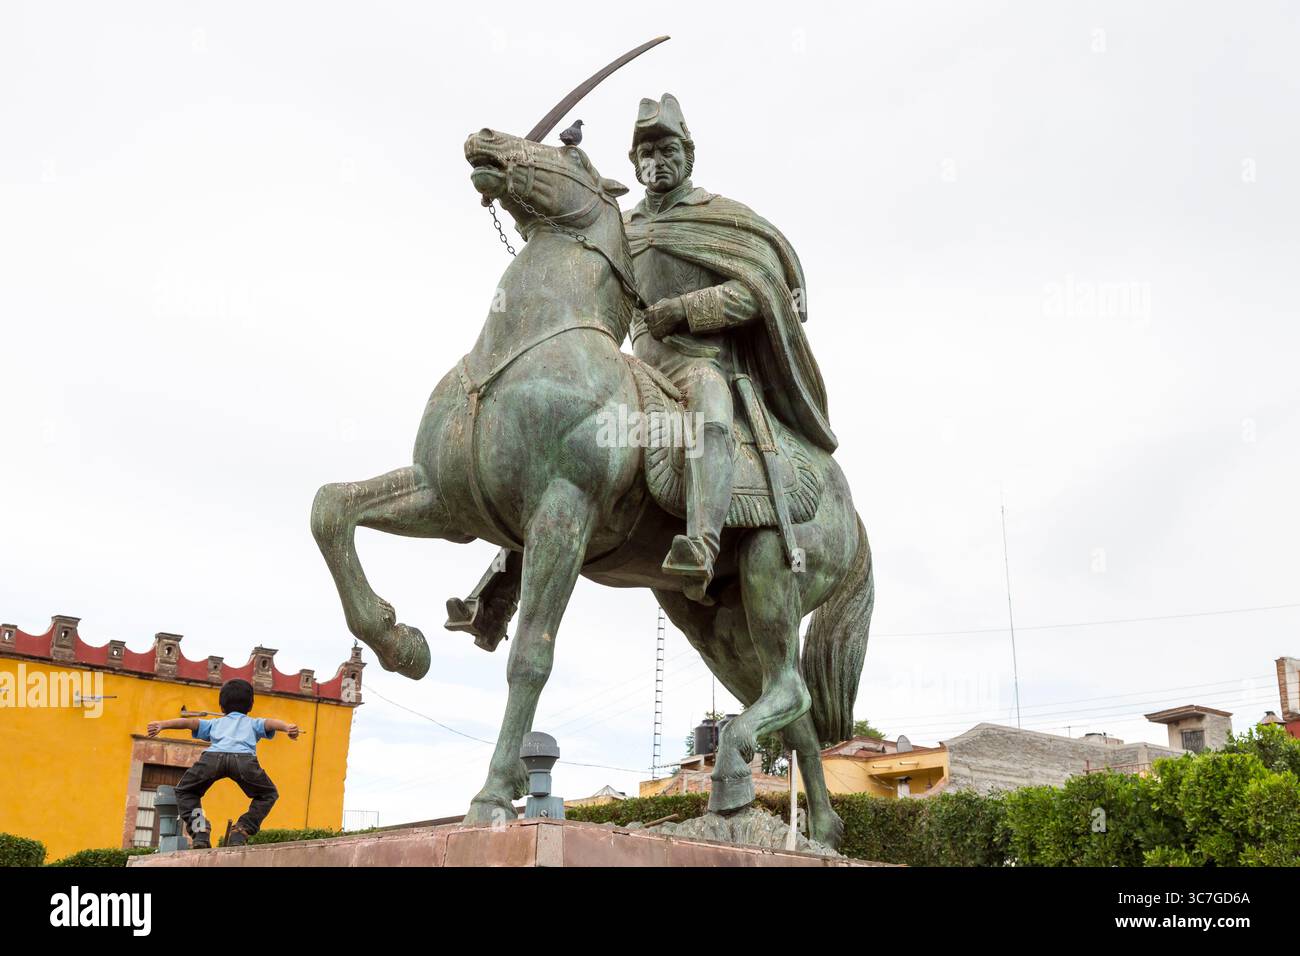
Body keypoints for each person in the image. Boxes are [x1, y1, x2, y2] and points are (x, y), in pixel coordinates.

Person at [624, 93, 837, 602]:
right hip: (632, 364)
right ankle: (501, 581)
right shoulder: (620, 227)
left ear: (688, 155)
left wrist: (684, 309)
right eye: (646, 153)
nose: (657, 160)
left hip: (697, 362)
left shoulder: (720, 217)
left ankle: (702, 541)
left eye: (667, 149)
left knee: (709, 411)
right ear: (634, 165)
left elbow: (762, 290)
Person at [146, 678, 298, 848]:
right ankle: (242, 829)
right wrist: (287, 727)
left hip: (212, 759)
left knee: (185, 791)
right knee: (268, 794)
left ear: (221, 706)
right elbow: (270, 723)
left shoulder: (215, 723)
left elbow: (189, 722)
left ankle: (200, 830)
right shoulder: (253, 723)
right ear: (251, 705)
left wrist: (162, 725)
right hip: (244, 761)